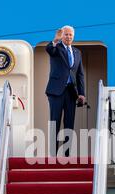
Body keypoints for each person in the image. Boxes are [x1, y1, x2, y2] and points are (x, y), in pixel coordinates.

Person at [45, 25, 86, 156]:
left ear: (73, 37)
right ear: (62, 36)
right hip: (56, 91)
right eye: (66, 34)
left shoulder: (77, 52)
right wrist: (55, 40)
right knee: (55, 121)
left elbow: (80, 74)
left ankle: (67, 154)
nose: (68, 37)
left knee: (69, 123)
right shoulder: (56, 48)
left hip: (71, 92)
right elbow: (49, 49)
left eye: (70, 35)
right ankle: (53, 154)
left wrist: (82, 93)